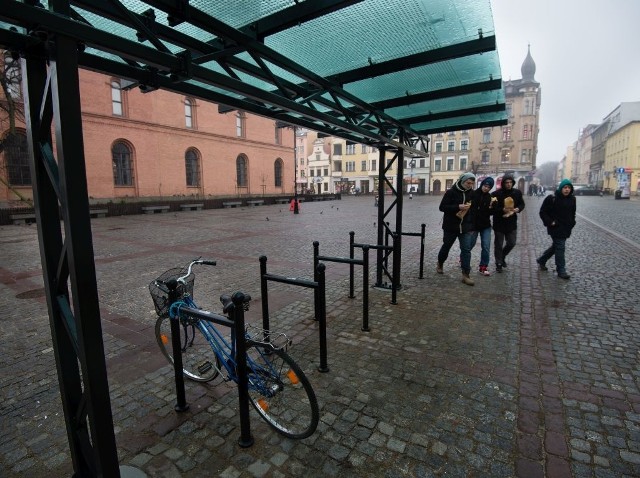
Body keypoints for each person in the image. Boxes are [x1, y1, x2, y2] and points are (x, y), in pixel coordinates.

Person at [436, 172, 477, 286]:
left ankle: (466, 274)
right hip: (450, 226)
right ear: (462, 181)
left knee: (466, 250)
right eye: (468, 183)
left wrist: (472, 224)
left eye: (472, 183)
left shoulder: (472, 194)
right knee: (446, 246)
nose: (470, 185)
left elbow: (473, 210)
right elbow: (442, 207)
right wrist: (457, 207)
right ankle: (440, 263)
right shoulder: (451, 192)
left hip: (465, 227)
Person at [537, 179, 576, 279]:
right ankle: (561, 270)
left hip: (566, 228)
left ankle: (542, 260)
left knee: (556, 247)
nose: (567, 190)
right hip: (555, 227)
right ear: (561, 188)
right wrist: (550, 222)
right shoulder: (552, 198)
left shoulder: (572, 199)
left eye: (569, 188)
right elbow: (543, 212)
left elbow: (572, 213)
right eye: (565, 188)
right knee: (560, 247)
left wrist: (572, 223)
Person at [491, 174, 525, 273]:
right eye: (506, 182)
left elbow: (522, 204)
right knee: (498, 244)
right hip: (499, 222)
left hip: (511, 222)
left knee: (512, 242)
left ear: (513, 183)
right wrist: (502, 209)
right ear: (503, 183)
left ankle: (503, 255)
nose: (509, 184)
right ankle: (499, 263)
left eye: (510, 182)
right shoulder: (496, 194)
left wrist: (518, 209)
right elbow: (493, 208)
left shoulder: (517, 193)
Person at [469, 177, 496, 276]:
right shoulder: (473, 194)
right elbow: (469, 210)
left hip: (485, 225)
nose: (486, 188)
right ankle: (463, 258)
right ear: (482, 185)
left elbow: (491, 213)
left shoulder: (490, 197)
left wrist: (493, 207)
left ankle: (483, 266)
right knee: (470, 244)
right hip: (474, 225)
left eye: (488, 187)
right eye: (485, 186)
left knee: (486, 246)